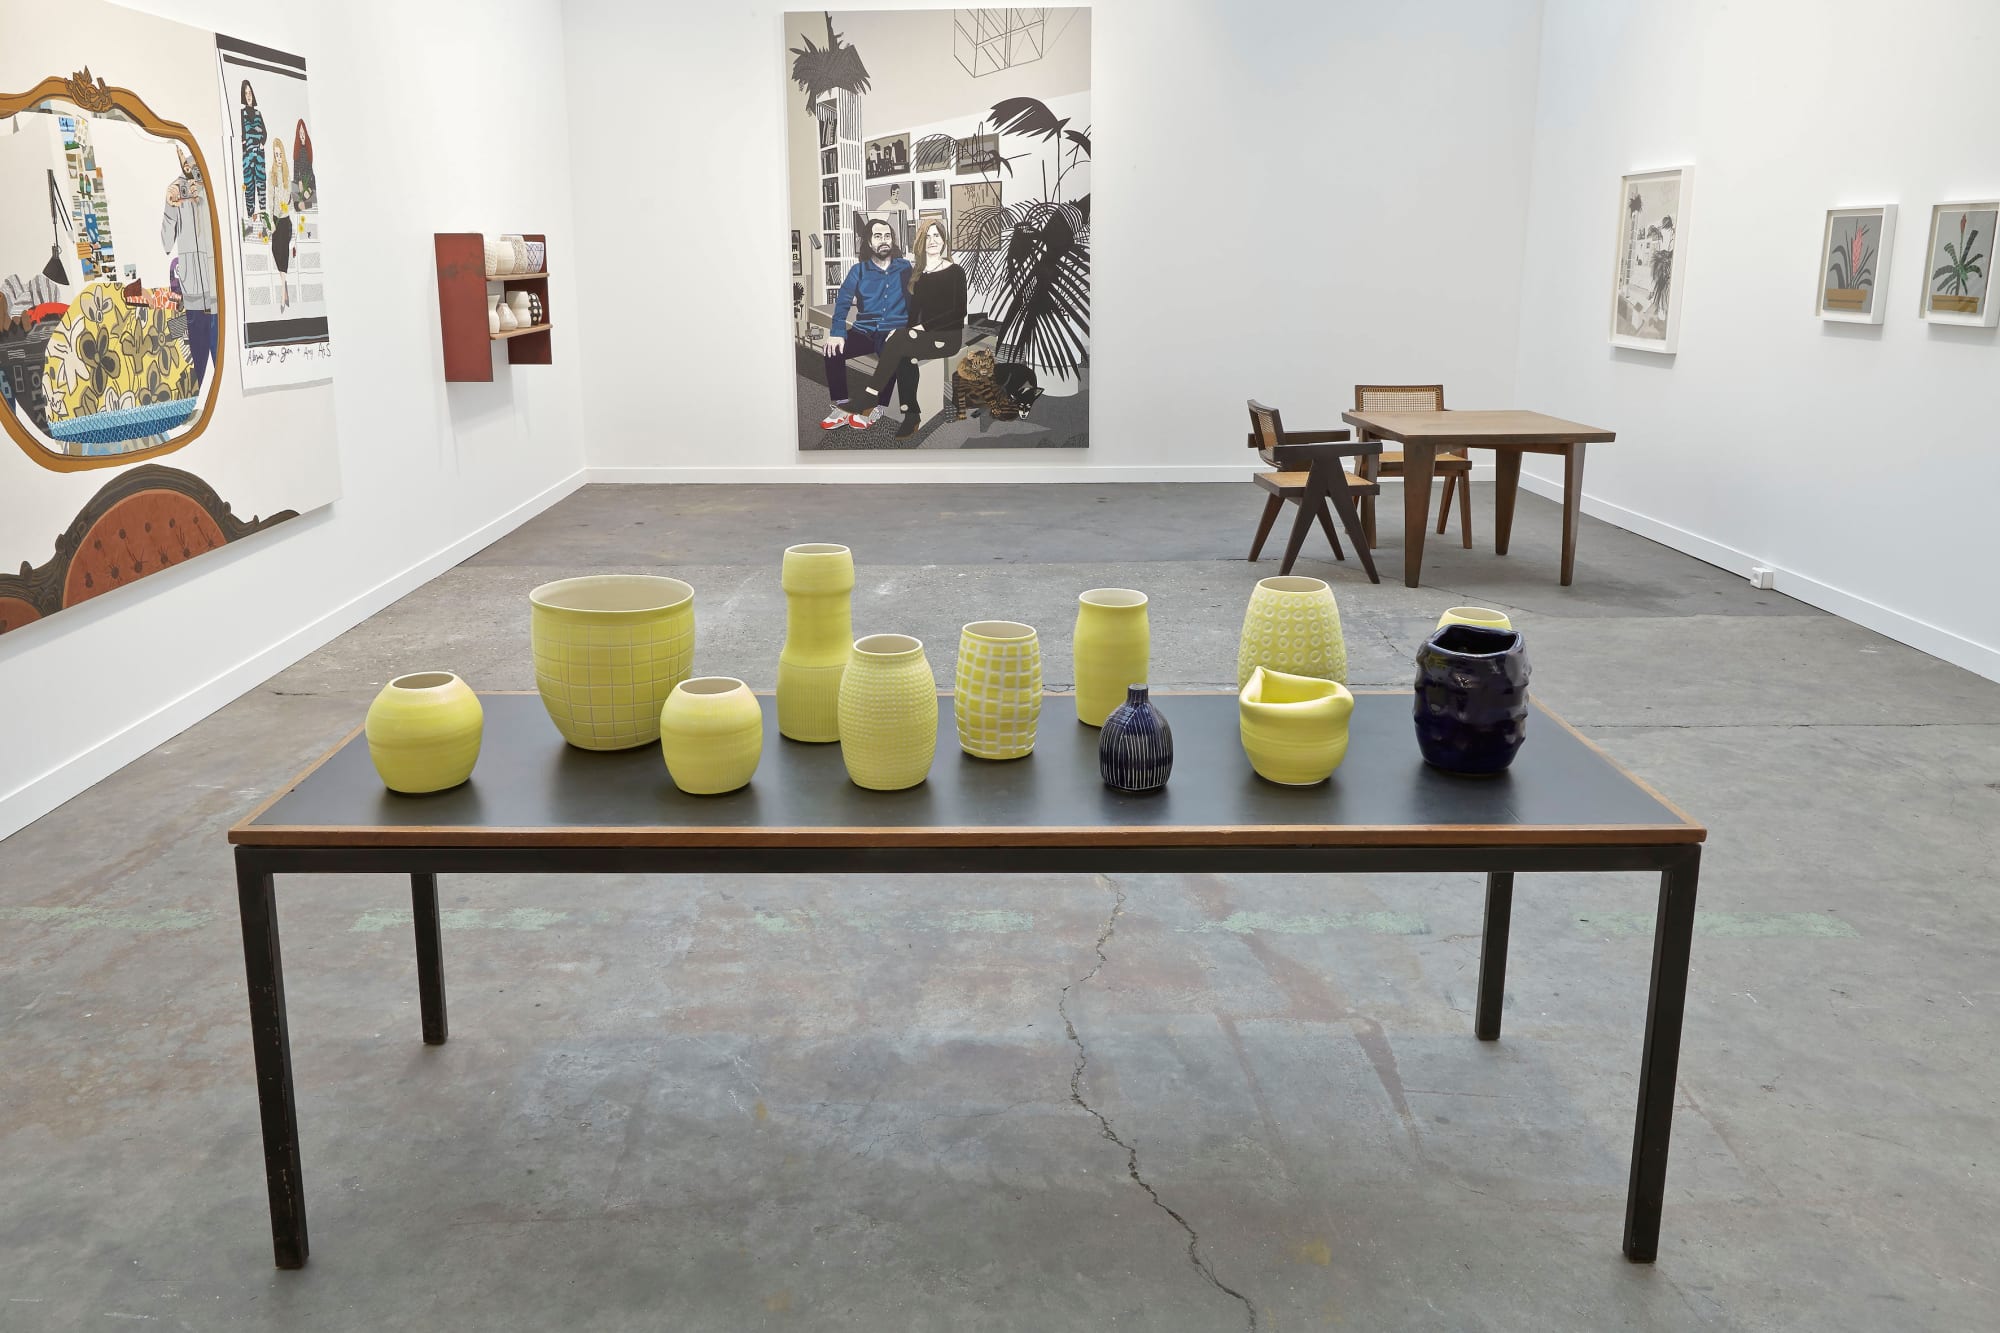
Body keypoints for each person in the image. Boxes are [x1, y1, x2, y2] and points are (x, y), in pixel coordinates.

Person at [845, 218, 967, 439]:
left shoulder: (955, 271)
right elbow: (913, 312)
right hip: (923, 335)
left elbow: (958, 313)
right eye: (927, 236)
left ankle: (871, 395)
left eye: (936, 235)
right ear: (921, 242)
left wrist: (919, 328)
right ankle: (911, 414)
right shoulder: (918, 274)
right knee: (903, 354)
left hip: (947, 337)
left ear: (944, 240)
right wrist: (904, 331)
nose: (932, 241)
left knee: (899, 344)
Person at [819, 218, 916, 429]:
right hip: (865, 330)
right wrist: (837, 332)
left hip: (893, 331)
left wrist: (908, 330)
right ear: (869, 242)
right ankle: (842, 405)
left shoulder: (904, 267)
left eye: (887, 236)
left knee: (892, 354)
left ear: (893, 240)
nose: (884, 241)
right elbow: (843, 302)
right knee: (832, 351)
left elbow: (916, 299)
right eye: (878, 236)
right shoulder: (858, 271)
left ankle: (878, 406)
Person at [160, 144, 218, 388]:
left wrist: (202, 195)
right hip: (193, 297)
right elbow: (165, 243)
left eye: (194, 164)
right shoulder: (176, 189)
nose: (190, 169)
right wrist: (170, 207)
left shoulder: (211, 189)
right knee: (199, 376)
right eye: (186, 164)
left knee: (223, 372)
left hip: (216, 297)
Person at [239, 80, 267, 230]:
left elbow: (265, 133)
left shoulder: (258, 113)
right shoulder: (242, 113)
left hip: (260, 155)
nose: (248, 95)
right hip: (248, 156)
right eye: (246, 93)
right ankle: (250, 219)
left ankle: (264, 218)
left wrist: (261, 143)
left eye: (250, 92)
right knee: (249, 186)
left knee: (261, 184)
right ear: (243, 96)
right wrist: (246, 148)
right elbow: (242, 134)